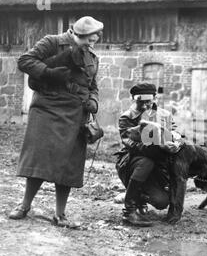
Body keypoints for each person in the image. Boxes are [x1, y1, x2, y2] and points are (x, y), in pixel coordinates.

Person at [8, 16, 104, 228]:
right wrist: (49, 73)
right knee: (39, 160)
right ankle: (25, 205)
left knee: (68, 166)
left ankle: (60, 214)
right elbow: (24, 61)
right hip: (47, 109)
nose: (91, 44)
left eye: (94, 41)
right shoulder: (52, 42)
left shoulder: (92, 57)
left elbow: (93, 86)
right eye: (89, 40)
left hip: (75, 114)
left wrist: (94, 102)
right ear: (77, 35)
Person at [115, 82, 181, 227]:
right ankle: (129, 211)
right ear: (134, 99)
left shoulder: (165, 115)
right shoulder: (126, 117)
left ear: (154, 98)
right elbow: (129, 142)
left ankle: (140, 198)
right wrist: (156, 147)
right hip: (132, 161)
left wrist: (176, 142)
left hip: (158, 165)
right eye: (140, 102)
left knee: (162, 201)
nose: (145, 106)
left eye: (148, 102)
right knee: (146, 161)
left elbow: (175, 133)